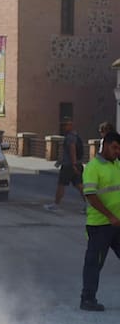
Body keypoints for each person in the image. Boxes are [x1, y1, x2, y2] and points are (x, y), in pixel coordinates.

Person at [79, 131, 120, 311]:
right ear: (105, 145)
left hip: (117, 224)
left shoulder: (117, 165)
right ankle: (87, 299)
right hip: (100, 225)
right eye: (114, 147)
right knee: (94, 263)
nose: (117, 151)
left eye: (119, 149)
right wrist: (109, 216)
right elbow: (91, 195)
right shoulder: (93, 167)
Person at [45, 118, 84, 213]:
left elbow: (72, 149)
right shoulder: (76, 136)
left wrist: (73, 164)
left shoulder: (70, 137)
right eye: (62, 125)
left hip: (69, 165)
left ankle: (56, 204)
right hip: (76, 164)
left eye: (65, 125)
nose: (63, 127)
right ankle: (90, 204)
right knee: (79, 185)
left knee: (61, 184)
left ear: (70, 125)